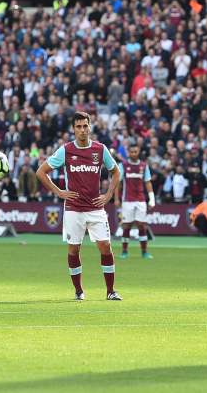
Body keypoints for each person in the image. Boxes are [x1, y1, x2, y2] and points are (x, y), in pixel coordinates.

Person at [36, 111, 123, 301]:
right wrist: (59, 192)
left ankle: (110, 291)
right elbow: (41, 172)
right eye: (78, 126)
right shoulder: (66, 150)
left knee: (106, 247)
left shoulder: (100, 149)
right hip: (74, 209)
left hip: (95, 208)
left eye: (85, 126)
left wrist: (108, 195)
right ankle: (78, 291)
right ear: (73, 129)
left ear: (90, 127)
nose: (82, 130)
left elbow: (116, 172)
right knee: (74, 249)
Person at [116, 143, 155, 259]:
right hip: (127, 200)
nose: (133, 153)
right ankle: (124, 251)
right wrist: (117, 198)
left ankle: (144, 252)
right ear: (129, 152)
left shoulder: (144, 166)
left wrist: (152, 199)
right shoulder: (123, 165)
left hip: (141, 200)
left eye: (135, 151)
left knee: (141, 225)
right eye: (131, 151)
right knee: (126, 225)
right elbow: (118, 183)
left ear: (139, 152)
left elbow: (148, 182)